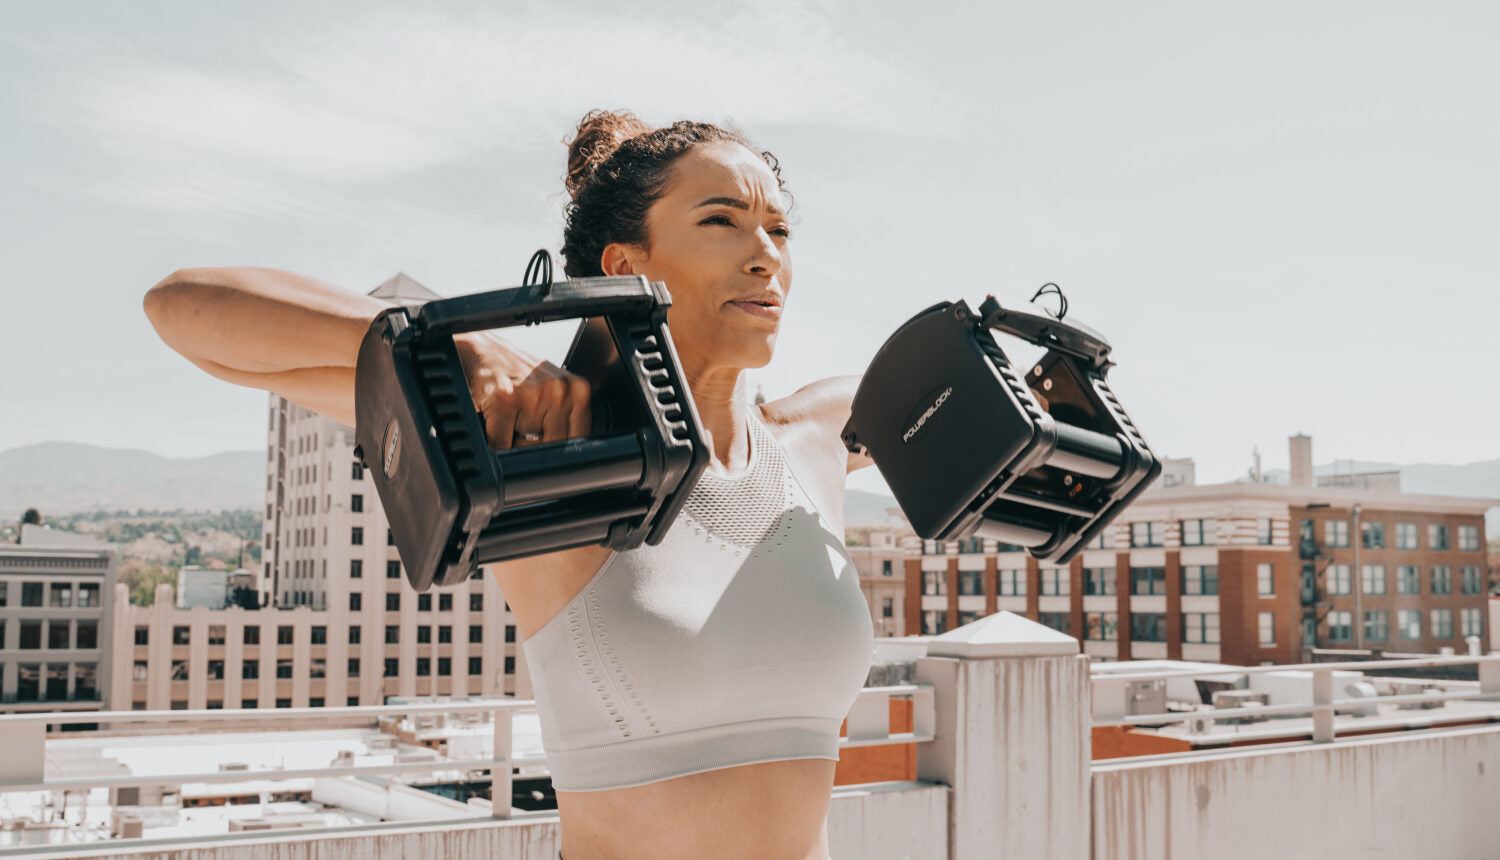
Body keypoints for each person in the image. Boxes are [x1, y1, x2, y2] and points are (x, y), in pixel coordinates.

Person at [144, 109, 877, 860]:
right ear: (626, 267)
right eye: (723, 220)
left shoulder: (820, 433)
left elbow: (983, 416)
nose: (766, 258)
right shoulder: (551, 432)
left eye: (780, 232)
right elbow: (181, 306)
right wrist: (441, 345)